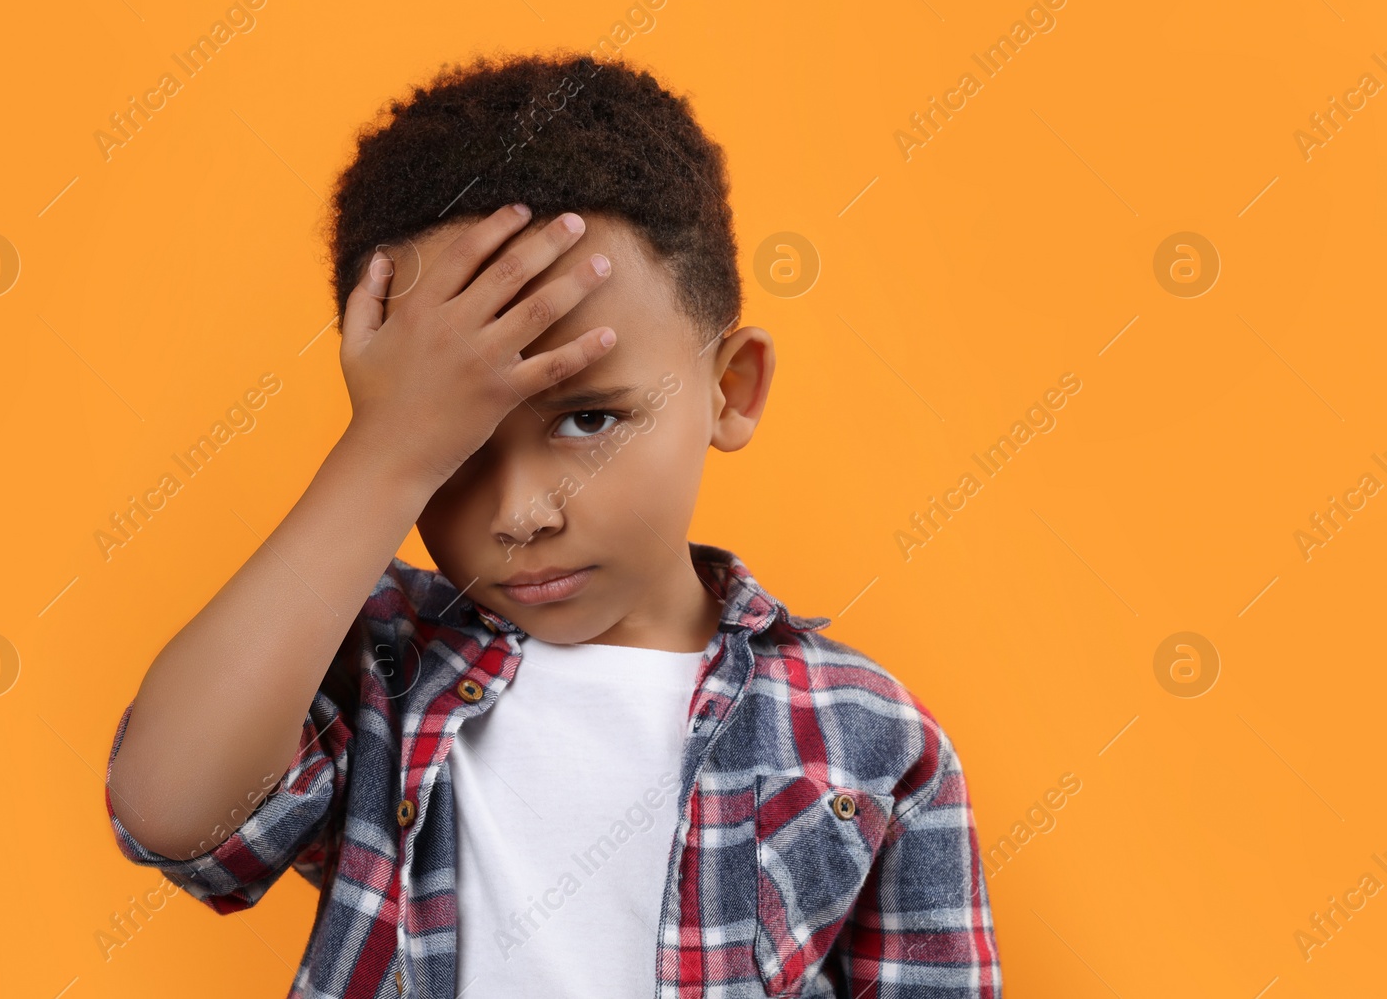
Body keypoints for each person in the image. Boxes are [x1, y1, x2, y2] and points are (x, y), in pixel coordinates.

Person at [103, 51, 1002, 998]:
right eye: (455, 444)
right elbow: (175, 815)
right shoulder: (378, 666)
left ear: (729, 389)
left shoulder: (866, 736)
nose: (521, 513)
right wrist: (386, 452)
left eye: (590, 420)